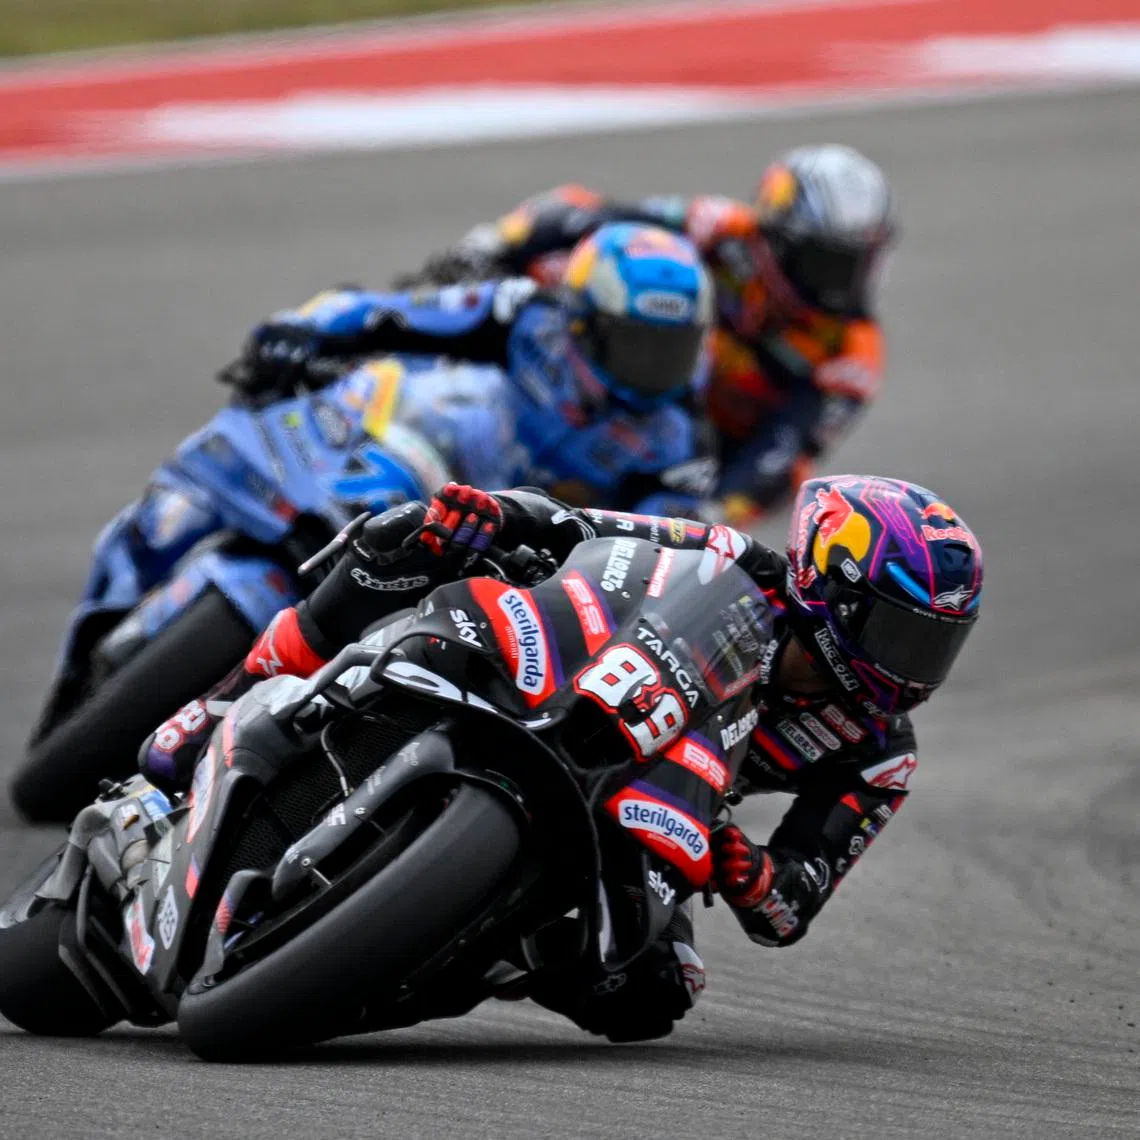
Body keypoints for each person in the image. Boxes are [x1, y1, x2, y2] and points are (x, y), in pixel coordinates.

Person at [140, 472, 982, 1043]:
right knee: (406, 541)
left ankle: (431, 946)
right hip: (567, 681)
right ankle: (226, 697)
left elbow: (795, 903)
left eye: (936, 646)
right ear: (832, 587)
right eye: (901, 634)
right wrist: (491, 515)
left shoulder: (879, 755)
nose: (911, 670)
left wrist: (753, 875)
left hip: (667, 795)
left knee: (653, 998)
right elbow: (580, 525)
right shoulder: (732, 560)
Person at [398, 145, 897, 525]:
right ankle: (437, 330)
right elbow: (587, 215)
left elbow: (781, 453)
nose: (843, 283)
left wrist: (705, 517)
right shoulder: (720, 227)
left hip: (695, 449)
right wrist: (494, 250)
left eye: (859, 263)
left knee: (761, 491)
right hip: (617, 370)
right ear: (779, 238)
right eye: (830, 262)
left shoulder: (852, 352)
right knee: (566, 260)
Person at [223, 221, 718, 518]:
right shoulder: (521, 312)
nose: (655, 365)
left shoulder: (682, 443)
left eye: (672, 346)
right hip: (410, 470)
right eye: (637, 341)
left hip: (502, 564)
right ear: (583, 322)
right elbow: (390, 311)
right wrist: (300, 328)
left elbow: (660, 557)